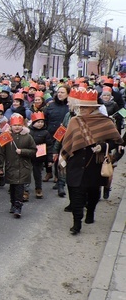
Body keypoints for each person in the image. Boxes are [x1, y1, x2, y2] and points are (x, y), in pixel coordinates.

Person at [59, 88, 123, 235]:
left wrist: (103, 146)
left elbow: (116, 142)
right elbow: (67, 141)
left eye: (84, 107)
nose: (81, 109)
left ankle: (90, 213)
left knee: (93, 192)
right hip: (75, 162)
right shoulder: (75, 121)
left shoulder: (105, 122)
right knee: (76, 192)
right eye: (80, 107)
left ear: (92, 108)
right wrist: (63, 156)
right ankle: (77, 223)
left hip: (94, 163)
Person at [0, 113, 36, 218]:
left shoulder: (28, 137)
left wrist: (23, 151)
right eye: (15, 125)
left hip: (23, 167)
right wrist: (0, 167)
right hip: (11, 166)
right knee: (13, 187)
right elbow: (1, 153)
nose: (17, 127)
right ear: (11, 126)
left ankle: (18, 206)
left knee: (20, 187)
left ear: (22, 125)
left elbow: (34, 151)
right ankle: (13, 203)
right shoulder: (6, 137)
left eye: (19, 125)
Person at [28, 112, 53, 199]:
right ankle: (25, 190)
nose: (40, 124)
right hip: (28, 156)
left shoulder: (45, 133)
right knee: (26, 174)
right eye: (38, 122)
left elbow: (49, 146)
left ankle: (38, 188)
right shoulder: (28, 131)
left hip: (39, 157)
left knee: (37, 174)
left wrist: (50, 159)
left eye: (42, 122)